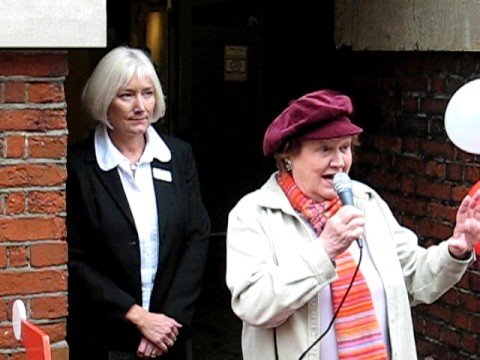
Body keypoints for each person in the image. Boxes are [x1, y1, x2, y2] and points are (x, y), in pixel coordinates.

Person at [225, 90, 480, 360]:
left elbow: (415, 278)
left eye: (344, 147)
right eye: (325, 149)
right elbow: (253, 304)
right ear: (289, 155)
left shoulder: (366, 201)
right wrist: (324, 250)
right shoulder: (254, 214)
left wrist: (455, 250)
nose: (339, 162)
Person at [66, 46, 210, 360]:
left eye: (147, 94)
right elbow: (74, 259)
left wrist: (168, 321)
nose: (140, 106)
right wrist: (138, 317)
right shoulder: (79, 166)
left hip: (169, 338)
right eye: (126, 95)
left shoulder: (177, 157)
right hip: (104, 339)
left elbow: (196, 237)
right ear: (104, 100)